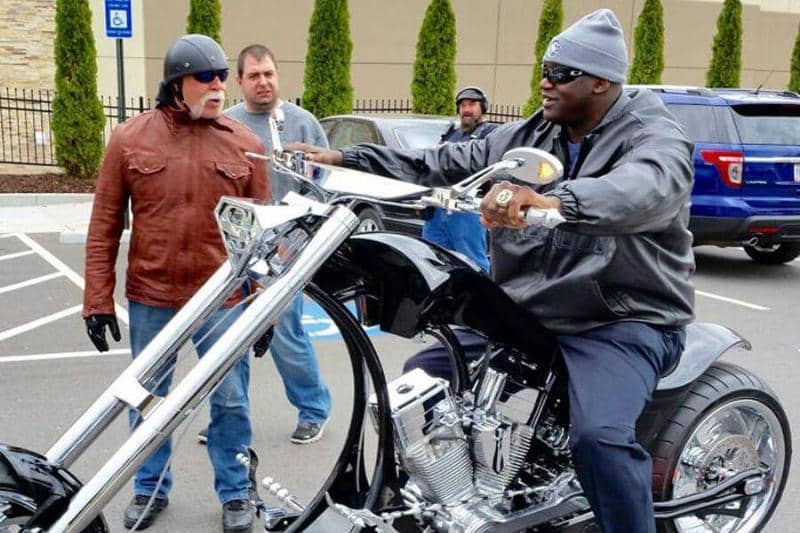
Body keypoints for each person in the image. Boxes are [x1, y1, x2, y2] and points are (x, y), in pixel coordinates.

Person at [289, 9, 695, 533]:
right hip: (530, 308)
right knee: (420, 384)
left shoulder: (653, 137)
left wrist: (552, 200)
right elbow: (443, 162)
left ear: (601, 81)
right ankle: (434, 506)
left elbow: (644, 189)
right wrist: (345, 158)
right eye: (545, 69)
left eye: (562, 73)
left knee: (600, 439)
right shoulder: (533, 133)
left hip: (619, 317)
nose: (545, 81)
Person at [82, 34, 269, 533]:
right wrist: (97, 299)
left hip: (223, 299)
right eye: (205, 76)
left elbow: (263, 237)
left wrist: (264, 307)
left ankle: (234, 492)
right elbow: (103, 226)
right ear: (175, 82)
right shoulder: (129, 140)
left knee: (230, 398)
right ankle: (148, 489)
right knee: (148, 399)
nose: (218, 85)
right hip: (153, 295)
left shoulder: (246, 145)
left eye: (223, 76)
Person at [220, 44, 332, 444]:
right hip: (239, 249)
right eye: (254, 75)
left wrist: (304, 237)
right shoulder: (226, 125)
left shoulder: (301, 123)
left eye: (269, 73)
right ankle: (231, 420)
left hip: (287, 248)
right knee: (230, 337)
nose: (263, 82)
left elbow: (324, 187)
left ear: (277, 75)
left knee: (285, 333)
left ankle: (313, 409)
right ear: (240, 81)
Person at [422, 86, 496, 271]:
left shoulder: (490, 134)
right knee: (431, 260)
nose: (467, 109)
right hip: (438, 206)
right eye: (463, 105)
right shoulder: (451, 134)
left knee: (471, 262)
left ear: (483, 108)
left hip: (467, 209)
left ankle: (480, 297)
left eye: (472, 104)